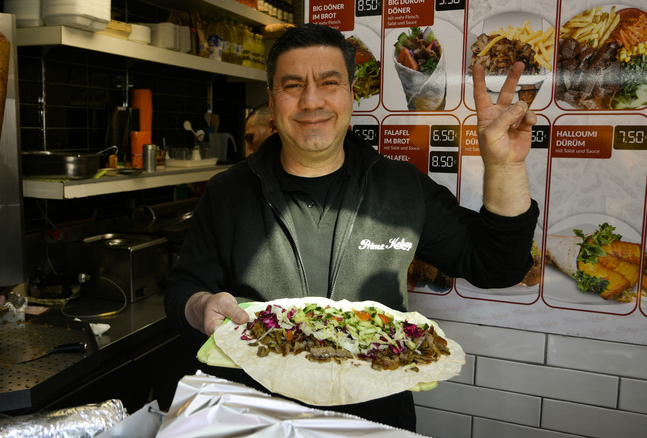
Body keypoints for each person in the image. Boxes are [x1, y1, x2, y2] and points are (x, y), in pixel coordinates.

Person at [164, 23, 538, 430]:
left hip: (370, 419)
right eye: (293, 85)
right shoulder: (227, 192)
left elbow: (498, 266)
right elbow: (184, 290)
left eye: (329, 82)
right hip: (254, 417)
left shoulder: (401, 187)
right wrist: (197, 306)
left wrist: (505, 167)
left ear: (351, 94)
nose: (311, 100)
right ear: (272, 102)